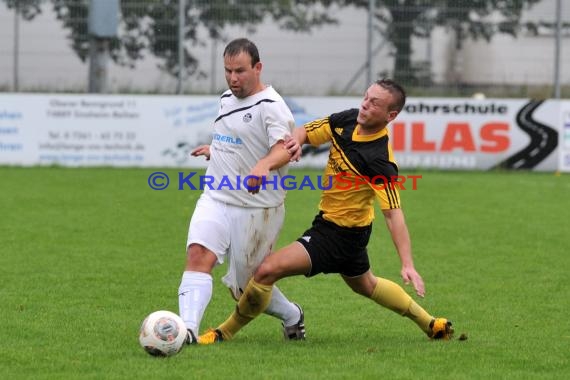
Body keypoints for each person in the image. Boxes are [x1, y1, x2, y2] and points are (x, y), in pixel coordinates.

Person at [198, 79, 454, 344]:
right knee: (367, 285)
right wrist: (297, 142)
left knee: (266, 271)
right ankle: (431, 324)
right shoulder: (348, 120)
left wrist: (407, 263)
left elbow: (393, 214)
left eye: (374, 103)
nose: (365, 104)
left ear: (391, 115)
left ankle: (223, 333)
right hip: (347, 231)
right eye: (366, 97)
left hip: (336, 235)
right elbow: (305, 132)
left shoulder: (380, 160)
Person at [178, 38, 305, 344]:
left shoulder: (272, 107)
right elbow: (236, 137)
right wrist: (216, 150)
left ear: (258, 68)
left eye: (240, 71)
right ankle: (186, 332)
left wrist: (263, 165)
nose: (233, 79)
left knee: (246, 289)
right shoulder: (226, 98)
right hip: (216, 196)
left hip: (256, 209)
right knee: (198, 254)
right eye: (227, 71)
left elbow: (284, 150)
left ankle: (293, 316)